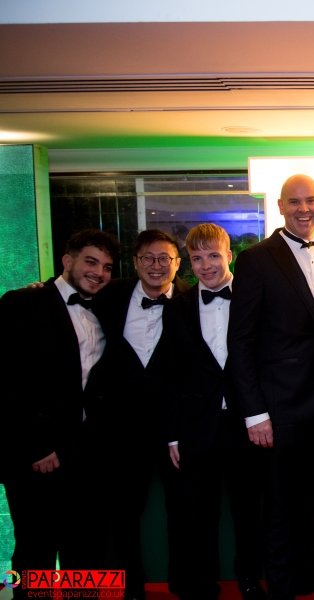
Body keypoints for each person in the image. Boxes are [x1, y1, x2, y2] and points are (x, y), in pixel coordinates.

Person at [227, 174, 314, 599]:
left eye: (311, 201)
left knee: (309, 501)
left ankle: (308, 574)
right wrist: (254, 413)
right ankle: (281, 588)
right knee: (280, 505)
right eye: (294, 202)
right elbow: (240, 340)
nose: (304, 209)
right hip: (278, 406)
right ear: (279, 207)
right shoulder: (255, 259)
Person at [0, 229, 119, 599]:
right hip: (38, 453)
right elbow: (7, 381)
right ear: (67, 261)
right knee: (33, 550)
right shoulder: (22, 302)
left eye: (107, 267)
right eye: (90, 262)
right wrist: (36, 446)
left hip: (87, 451)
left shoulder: (105, 308)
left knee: (86, 549)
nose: (99, 272)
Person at [160, 224, 266, 600]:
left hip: (246, 423)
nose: (205, 266)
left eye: (213, 256)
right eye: (197, 258)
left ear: (229, 256)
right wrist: (172, 434)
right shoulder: (177, 306)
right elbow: (171, 374)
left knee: (247, 511)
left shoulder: (256, 298)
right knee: (199, 515)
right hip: (196, 427)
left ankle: (249, 578)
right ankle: (204, 582)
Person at [89, 228, 192, 600]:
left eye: (165, 258)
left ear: (177, 264)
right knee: (123, 511)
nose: (156, 265)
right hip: (122, 428)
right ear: (135, 262)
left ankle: (183, 583)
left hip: (175, 429)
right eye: (148, 257)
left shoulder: (192, 300)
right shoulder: (109, 295)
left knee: (183, 510)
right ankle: (131, 585)